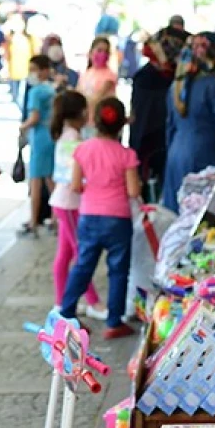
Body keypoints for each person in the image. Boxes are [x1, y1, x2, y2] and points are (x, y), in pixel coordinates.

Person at [59, 97, 141, 339]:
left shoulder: (82, 149)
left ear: (94, 122)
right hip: (118, 219)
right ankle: (114, 322)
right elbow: (134, 191)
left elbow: (75, 185)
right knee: (118, 270)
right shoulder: (126, 155)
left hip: (89, 216)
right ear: (123, 124)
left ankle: (67, 314)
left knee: (83, 265)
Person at [162, 32, 215, 213]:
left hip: (176, 158)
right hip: (206, 159)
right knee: (205, 224)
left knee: (180, 222)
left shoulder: (176, 87)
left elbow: (170, 128)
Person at [49, 89, 108, 321]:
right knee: (81, 253)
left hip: (64, 202)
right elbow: (76, 176)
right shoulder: (73, 140)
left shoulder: (67, 136)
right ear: (82, 112)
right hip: (70, 202)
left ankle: (60, 301)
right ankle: (93, 301)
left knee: (65, 253)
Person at [130, 26, 188, 202]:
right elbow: (143, 119)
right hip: (151, 145)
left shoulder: (174, 77)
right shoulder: (146, 78)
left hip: (167, 143)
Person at [19, 55, 57, 237]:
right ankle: (57, 219)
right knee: (51, 180)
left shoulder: (35, 92)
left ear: (43, 70)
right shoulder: (51, 90)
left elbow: (34, 118)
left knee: (35, 181)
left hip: (39, 139)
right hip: (50, 137)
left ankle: (33, 221)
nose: (31, 73)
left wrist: (22, 126)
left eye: (34, 69)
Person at [78, 36, 118, 110]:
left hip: (100, 117)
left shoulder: (110, 76)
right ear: (91, 52)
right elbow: (78, 92)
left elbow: (97, 98)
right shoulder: (86, 73)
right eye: (99, 50)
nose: (103, 54)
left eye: (106, 51)